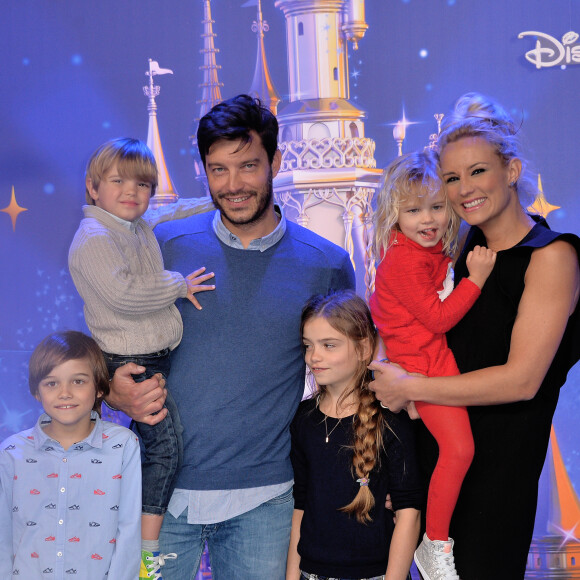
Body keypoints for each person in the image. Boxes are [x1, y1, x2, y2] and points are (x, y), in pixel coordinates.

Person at [105, 94, 356, 580]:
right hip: (159, 497)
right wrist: (112, 388)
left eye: (248, 166)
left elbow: (348, 380)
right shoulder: (165, 244)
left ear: (275, 163)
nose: (233, 184)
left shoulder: (325, 263)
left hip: (265, 500)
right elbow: (108, 332)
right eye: (218, 169)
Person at [368, 93, 580, 580]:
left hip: (497, 474)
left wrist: (410, 389)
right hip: (432, 457)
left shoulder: (551, 257)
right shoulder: (461, 250)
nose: (464, 189)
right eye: (451, 178)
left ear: (511, 171)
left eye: (478, 171)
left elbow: (521, 382)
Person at [68, 137, 216, 580]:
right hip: (131, 359)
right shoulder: (95, 237)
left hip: (148, 354)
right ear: (93, 187)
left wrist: (214, 199)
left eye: (144, 185)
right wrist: (177, 284)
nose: (132, 193)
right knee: (166, 450)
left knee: (153, 446)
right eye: (118, 182)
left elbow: (172, 211)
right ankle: (144, 551)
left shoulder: (131, 226)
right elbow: (124, 293)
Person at [369, 151, 496, 580]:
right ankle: (435, 544)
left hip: (426, 364)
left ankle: (434, 541)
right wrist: (475, 280)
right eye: (414, 210)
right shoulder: (403, 260)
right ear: (394, 215)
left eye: (437, 207)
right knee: (460, 450)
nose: (429, 219)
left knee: (453, 453)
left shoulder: (424, 251)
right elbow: (439, 318)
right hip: (425, 370)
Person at [287, 291, 422, 580]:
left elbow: (409, 513)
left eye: (329, 345)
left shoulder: (391, 419)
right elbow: (301, 506)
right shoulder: (302, 419)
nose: (314, 356)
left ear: (363, 349)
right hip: (312, 573)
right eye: (308, 346)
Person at [0, 331, 142, 580]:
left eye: (78, 381)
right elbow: (2, 535)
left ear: (99, 388)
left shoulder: (123, 446)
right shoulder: (12, 453)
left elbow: (129, 532)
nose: (64, 393)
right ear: (37, 391)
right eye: (51, 383)